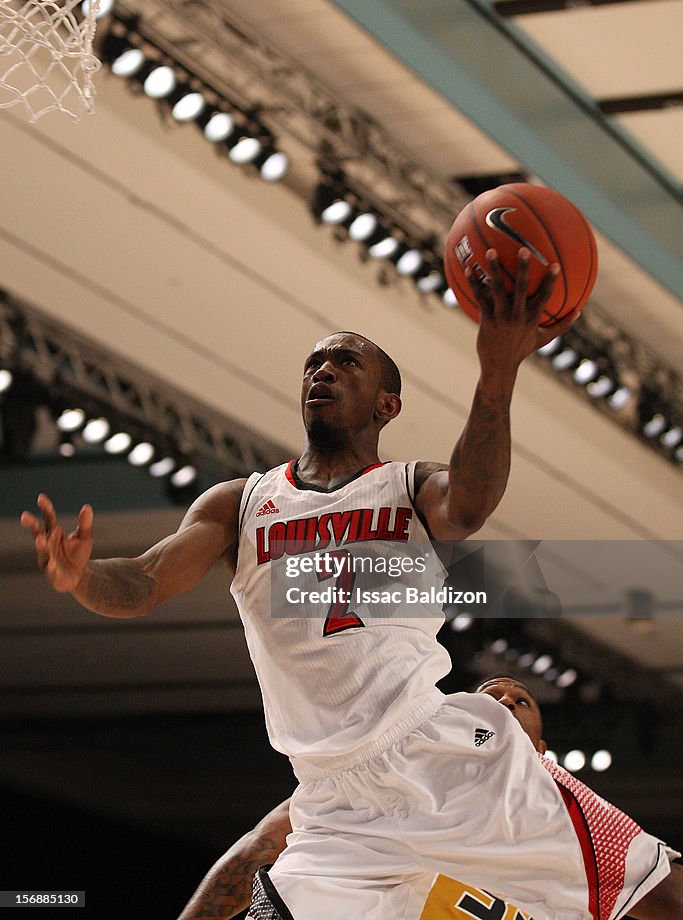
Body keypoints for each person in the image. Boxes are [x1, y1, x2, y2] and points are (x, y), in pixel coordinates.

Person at [20, 250, 674, 920]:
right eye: (313, 362)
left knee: (664, 893)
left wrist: (497, 367)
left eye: (344, 361)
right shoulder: (239, 503)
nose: (323, 370)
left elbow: (471, 503)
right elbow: (144, 582)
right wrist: (83, 580)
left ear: (385, 404)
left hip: (439, 754)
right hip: (336, 801)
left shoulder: (408, 487)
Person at [176, 676, 682, 920]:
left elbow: (668, 895)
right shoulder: (392, 777)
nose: (502, 703)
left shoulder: (570, 818)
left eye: (520, 701)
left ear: (542, 750)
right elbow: (253, 852)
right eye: (488, 699)